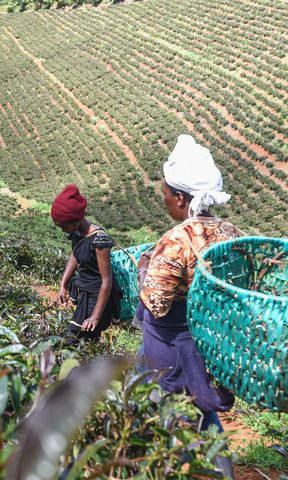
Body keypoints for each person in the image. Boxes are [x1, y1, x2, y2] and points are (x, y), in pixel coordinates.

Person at [139, 134, 242, 478]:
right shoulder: (232, 232)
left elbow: (155, 303)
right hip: (210, 342)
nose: (164, 199)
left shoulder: (178, 239)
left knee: (162, 408)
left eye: (166, 193)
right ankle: (223, 471)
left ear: (181, 198)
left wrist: (143, 269)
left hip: (173, 345)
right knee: (203, 411)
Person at [52, 184, 120, 341]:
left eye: (64, 226)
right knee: (86, 340)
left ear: (76, 220)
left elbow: (106, 281)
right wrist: (63, 284)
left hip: (97, 298)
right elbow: (75, 255)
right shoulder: (77, 233)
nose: (63, 230)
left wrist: (95, 317)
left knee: (75, 338)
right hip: (84, 292)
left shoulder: (99, 241)